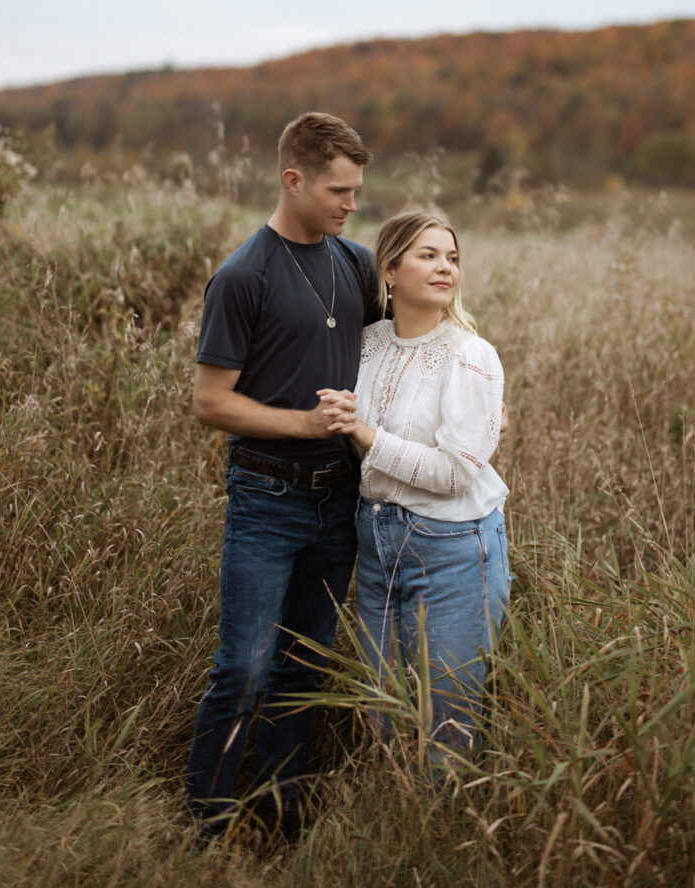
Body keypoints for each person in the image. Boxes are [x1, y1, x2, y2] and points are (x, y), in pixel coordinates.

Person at [185, 111, 377, 840]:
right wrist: (302, 423)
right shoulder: (242, 276)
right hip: (266, 497)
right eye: (337, 189)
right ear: (292, 180)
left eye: (356, 190)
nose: (350, 204)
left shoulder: (356, 262)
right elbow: (210, 403)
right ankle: (205, 825)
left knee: (305, 668)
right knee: (244, 665)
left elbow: (404, 346)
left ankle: (278, 816)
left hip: (343, 500)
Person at [318, 210, 510, 749]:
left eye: (452, 258)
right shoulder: (368, 343)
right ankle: (389, 818)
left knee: (446, 717)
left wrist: (364, 434)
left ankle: (444, 823)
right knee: (385, 710)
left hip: (451, 545)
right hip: (376, 537)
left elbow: (453, 475)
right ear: (390, 271)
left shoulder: (470, 355)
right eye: (428, 256)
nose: (445, 267)